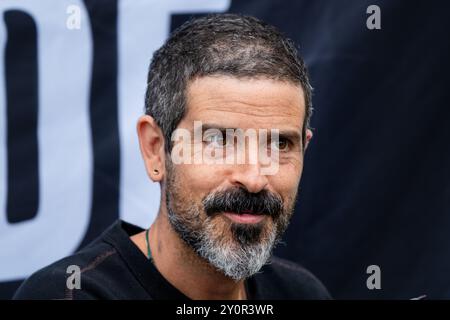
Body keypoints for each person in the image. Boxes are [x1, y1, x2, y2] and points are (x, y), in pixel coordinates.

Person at [14, 13, 331, 300]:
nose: (253, 179)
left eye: (278, 144)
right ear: (155, 149)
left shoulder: (302, 291)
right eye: (218, 141)